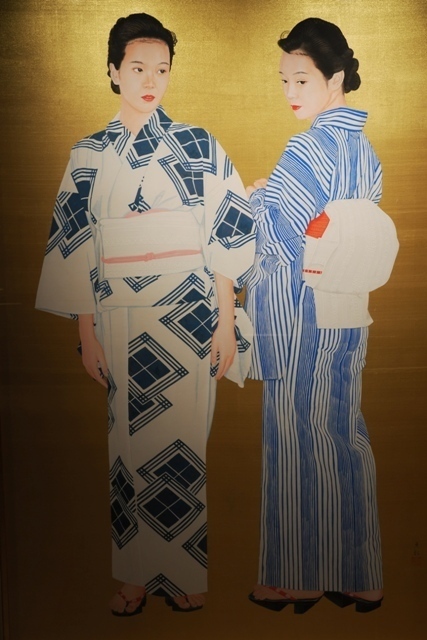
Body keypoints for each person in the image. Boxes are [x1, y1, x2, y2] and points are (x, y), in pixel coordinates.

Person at [36, 12, 255, 615]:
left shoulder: (199, 145)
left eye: (161, 69)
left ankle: (184, 576)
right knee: (127, 452)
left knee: (184, 448)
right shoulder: (88, 154)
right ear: (113, 72)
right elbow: (76, 245)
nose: (151, 80)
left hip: (189, 315)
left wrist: (225, 320)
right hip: (119, 317)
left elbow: (226, 234)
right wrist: (86, 334)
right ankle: (134, 577)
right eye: (137, 68)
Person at [245, 17, 395, 614]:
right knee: (342, 434)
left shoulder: (307, 148)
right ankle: (360, 574)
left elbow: (282, 239)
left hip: (299, 308)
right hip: (348, 307)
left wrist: (256, 196)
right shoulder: (364, 150)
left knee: (292, 435)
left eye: (301, 80)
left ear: (334, 79)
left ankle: (296, 576)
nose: (290, 92)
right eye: (284, 80)